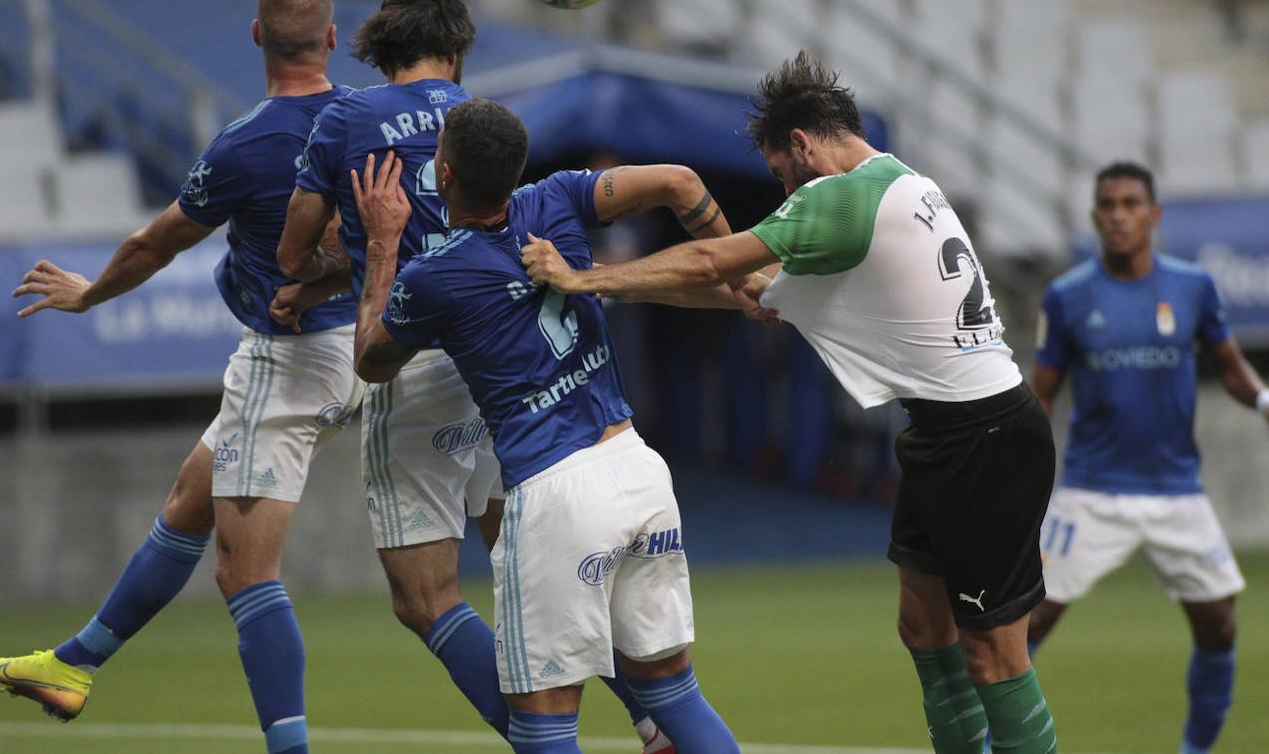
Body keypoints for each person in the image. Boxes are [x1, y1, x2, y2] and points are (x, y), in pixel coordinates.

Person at [522, 52, 1059, 754]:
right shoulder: (898, 183)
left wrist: (582, 280)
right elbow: (745, 289)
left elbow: (717, 263)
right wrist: (601, 278)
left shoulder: (834, 200)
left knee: (994, 654)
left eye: (780, 175)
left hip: (983, 436)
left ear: (801, 145)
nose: (784, 191)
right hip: (948, 430)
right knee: (924, 629)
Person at [277, 0, 672, 753]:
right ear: (456, 51)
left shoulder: (346, 119)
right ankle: (656, 719)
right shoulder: (476, 121)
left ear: (381, 49)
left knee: (424, 596)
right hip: (500, 363)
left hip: (414, 357)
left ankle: (539, 736)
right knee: (531, 561)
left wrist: (342, 261)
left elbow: (294, 251)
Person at [0, 0, 357, 754]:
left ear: (256, 38)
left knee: (246, 575)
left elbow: (157, 242)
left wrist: (89, 296)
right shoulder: (368, 118)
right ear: (334, 38)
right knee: (190, 497)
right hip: (373, 345)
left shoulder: (247, 142)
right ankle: (74, 664)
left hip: (291, 357)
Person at [353, 98, 741, 753]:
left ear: (443, 176)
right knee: (675, 697)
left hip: (556, 492)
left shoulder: (432, 278)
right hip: (637, 468)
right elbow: (680, 183)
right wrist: (739, 270)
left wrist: (382, 245)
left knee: (545, 725)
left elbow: (371, 361)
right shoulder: (559, 197)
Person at [1030, 162, 1268, 754]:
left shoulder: (1194, 286)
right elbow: (1041, 394)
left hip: (1176, 491)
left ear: (1153, 215)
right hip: (1091, 489)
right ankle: (990, 745)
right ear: (1093, 216)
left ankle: (1196, 749)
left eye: (1130, 203)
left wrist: (1264, 400)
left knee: (1218, 624)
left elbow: (1230, 367)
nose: (1118, 215)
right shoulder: (1066, 296)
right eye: (1107, 204)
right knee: (1025, 625)